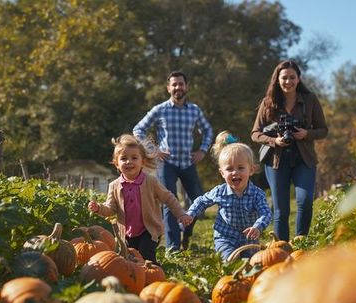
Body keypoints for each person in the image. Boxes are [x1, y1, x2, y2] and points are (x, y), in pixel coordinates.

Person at [133, 71, 214, 252]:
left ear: (187, 87)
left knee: (199, 202)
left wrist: (202, 150)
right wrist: (154, 150)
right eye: (174, 84)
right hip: (166, 164)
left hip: (187, 162)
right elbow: (138, 130)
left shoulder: (194, 110)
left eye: (181, 84)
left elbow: (208, 130)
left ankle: (184, 231)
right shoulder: (159, 110)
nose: (178, 87)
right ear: (168, 88)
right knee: (170, 203)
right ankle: (173, 249)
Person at [251, 60, 328, 242]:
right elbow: (255, 133)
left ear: (299, 79)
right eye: (284, 78)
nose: (288, 82)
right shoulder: (268, 102)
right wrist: (274, 140)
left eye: (292, 77)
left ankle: (301, 243)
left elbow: (323, 130)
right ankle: (282, 247)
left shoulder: (310, 100)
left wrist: (306, 134)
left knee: (305, 201)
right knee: (281, 209)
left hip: (304, 159)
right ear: (277, 80)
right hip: (277, 162)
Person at [88, 134, 193, 264]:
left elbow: (169, 198)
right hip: (127, 233)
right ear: (116, 164)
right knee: (130, 259)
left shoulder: (151, 182)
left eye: (134, 158)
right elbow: (110, 209)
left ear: (142, 162)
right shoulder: (114, 186)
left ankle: (153, 273)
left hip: (149, 230)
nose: (129, 162)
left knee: (145, 255)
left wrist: (181, 214)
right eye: (123, 158)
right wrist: (99, 208)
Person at [184, 131, 272, 261]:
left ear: (251, 170)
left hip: (249, 239)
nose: (235, 172)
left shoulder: (257, 194)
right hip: (225, 237)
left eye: (241, 168)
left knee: (254, 264)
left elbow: (266, 213)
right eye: (229, 169)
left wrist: (257, 226)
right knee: (230, 261)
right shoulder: (220, 192)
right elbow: (202, 201)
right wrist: (191, 213)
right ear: (222, 173)